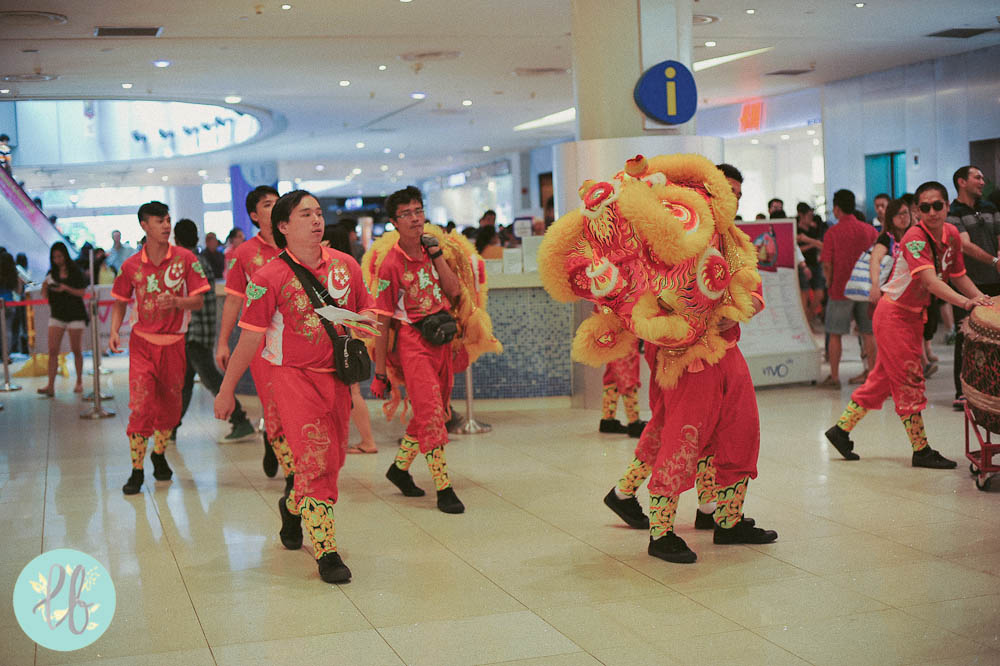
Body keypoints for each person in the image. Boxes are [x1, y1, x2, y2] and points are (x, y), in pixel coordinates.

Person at [215, 190, 377, 584]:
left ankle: (292, 506)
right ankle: (326, 551)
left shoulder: (346, 265)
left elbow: (367, 308)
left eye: (319, 213)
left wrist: (362, 322)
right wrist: (226, 390)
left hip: (336, 379)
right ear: (283, 227)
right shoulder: (267, 276)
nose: (317, 221)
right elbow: (250, 339)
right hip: (292, 380)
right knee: (316, 460)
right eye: (306, 215)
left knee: (333, 460)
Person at [826, 181, 993, 469]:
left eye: (937, 205)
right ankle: (921, 449)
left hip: (911, 316)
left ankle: (840, 431)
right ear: (918, 210)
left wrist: (981, 299)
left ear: (947, 206)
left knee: (882, 381)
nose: (932, 212)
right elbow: (930, 281)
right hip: (894, 316)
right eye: (925, 207)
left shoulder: (951, 234)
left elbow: (958, 274)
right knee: (909, 379)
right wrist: (967, 304)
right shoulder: (915, 238)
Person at [370, 186, 466, 514]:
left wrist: (437, 255)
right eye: (406, 214)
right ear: (394, 222)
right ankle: (444, 487)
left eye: (418, 210)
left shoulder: (434, 250)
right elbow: (381, 323)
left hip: (442, 339)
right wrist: (380, 372)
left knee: (434, 410)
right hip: (413, 345)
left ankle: (399, 469)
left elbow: (453, 291)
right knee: (431, 413)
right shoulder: (389, 266)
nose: (415, 218)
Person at [110, 201, 210, 495]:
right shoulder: (130, 265)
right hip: (142, 345)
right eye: (159, 221)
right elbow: (120, 302)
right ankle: (137, 470)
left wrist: (178, 302)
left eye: (167, 220)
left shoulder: (185, 258)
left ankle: (159, 453)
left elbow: (199, 300)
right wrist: (115, 331)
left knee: (170, 407)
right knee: (140, 406)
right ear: (144, 225)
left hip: (175, 345)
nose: (166, 226)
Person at [216, 186, 289, 480]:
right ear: (254, 215)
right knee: (272, 403)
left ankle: (276, 442)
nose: (275, 208)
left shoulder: (296, 245)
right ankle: (292, 474)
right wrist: (223, 342)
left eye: (278, 203)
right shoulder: (244, 253)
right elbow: (234, 299)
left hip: (298, 339)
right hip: (262, 343)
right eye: (268, 204)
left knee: (294, 405)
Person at [172, 218, 255, 443]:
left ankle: (240, 420)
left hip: (195, 332)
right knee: (186, 381)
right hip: (200, 331)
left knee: (211, 380)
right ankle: (170, 430)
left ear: (176, 239)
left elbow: (193, 300)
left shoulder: (188, 263)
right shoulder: (199, 260)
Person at [322, 224, 378, 454]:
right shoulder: (348, 266)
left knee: (352, 392)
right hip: (350, 340)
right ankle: (363, 440)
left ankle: (367, 441)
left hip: (337, 342)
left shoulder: (333, 269)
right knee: (352, 392)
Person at [947, 166, 1000, 411]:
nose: (982, 181)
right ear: (962, 182)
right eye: (977, 177)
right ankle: (963, 390)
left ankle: (993, 390)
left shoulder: (989, 207)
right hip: (968, 283)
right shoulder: (953, 212)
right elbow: (964, 245)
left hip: (995, 280)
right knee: (966, 336)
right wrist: (994, 261)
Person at [820, 189, 878, 388]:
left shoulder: (832, 232)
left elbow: (827, 263)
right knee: (868, 333)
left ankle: (834, 377)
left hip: (840, 288)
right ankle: (872, 375)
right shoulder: (869, 230)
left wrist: (829, 281)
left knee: (835, 333)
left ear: (837, 209)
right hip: (866, 289)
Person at [36, 243, 88, 395]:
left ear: (65, 255)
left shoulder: (75, 271)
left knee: (76, 349)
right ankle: (50, 384)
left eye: (59, 256)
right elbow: (44, 295)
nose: (57, 259)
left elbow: (82, 292)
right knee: (53, 350)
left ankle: (79, 381)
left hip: (75, 313)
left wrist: (65, 288)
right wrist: (45, 286)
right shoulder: (51, 273)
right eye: (54, 257)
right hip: (57, 313)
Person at [796, 202, 827, 327]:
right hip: (803, 265)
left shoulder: (813, 229)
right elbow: (796, 249)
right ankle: (806, 322)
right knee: (804, 295)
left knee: (820, 294)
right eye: (808, 216)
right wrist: (813, 244)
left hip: (815, 264)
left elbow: (823, 245)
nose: (811, 219)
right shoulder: (796, 230)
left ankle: (809, 317)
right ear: (801, 215)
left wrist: (807, 241)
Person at [0, 251, 23, 362]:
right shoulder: (13, 274)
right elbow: (18, 291)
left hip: (1, 302)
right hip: (9, 304)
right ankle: (6, 355)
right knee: (7, 331)